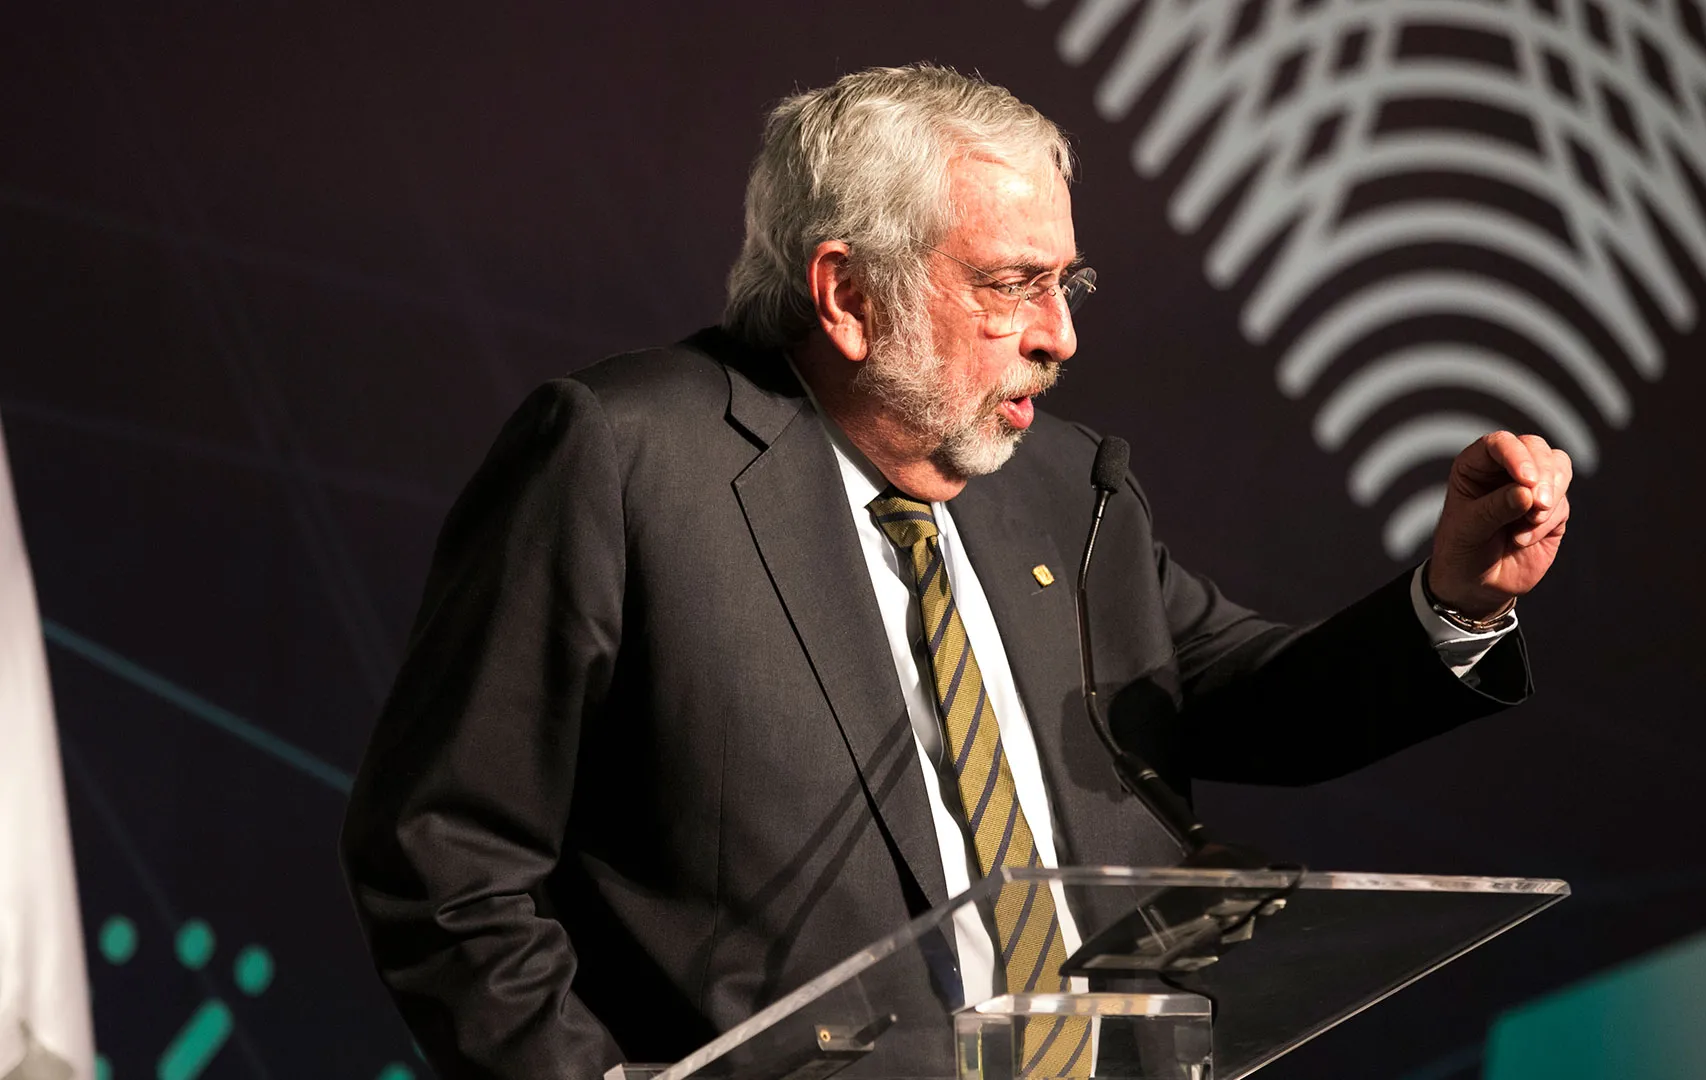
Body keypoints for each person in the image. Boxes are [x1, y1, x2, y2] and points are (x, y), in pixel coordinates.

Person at [340, 64, 1572, 1080]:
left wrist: (1458, 600)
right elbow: (444, 852)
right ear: (847, 295)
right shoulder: (626, 459)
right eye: (1010, 286)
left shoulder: (1062, 484)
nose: (1060, 336)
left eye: (1065, 284)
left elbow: (1246, 702)